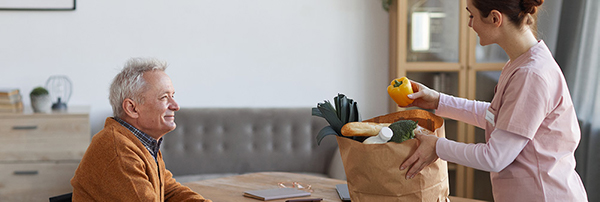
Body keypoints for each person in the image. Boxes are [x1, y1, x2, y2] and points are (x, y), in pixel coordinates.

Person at [399, 0, 588, 201]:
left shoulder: (530, 75)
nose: (470, 24)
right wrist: (438, 101)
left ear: (495, 18)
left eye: (472, 16)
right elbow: (500, 117)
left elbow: (494, 158)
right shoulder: (519, 62)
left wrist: (437, 146)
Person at [71, 58, 212, 201]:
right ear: (132, 108)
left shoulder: (141, 142)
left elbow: (170, 191)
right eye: (164, 97)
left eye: (172, 96)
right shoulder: (118, 151)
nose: (176, 106)